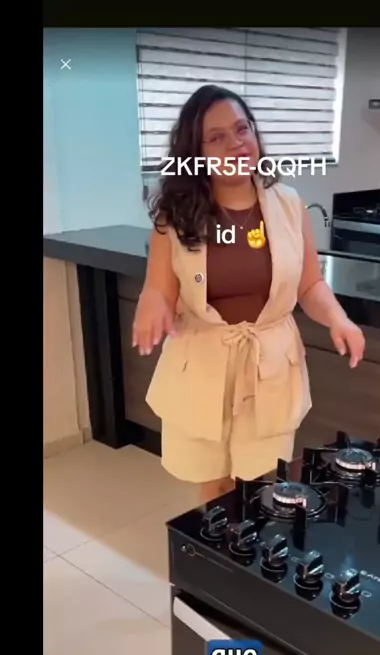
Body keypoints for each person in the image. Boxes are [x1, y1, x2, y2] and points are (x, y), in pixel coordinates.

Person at [132, 85, 365, 503]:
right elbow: (159, 289)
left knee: (262, 486)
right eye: (217, 137)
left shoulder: (289, 204)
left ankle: (253, 547)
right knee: (215, 487)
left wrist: (338, 319)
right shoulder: (176, 215)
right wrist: (153, 304)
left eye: (242, 129)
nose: (236, 143)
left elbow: (310, 284)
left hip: (269, 369)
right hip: (203, 366)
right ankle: (216, 546)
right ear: (196, 151)